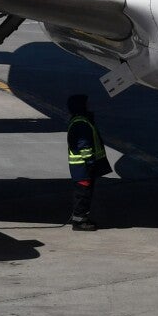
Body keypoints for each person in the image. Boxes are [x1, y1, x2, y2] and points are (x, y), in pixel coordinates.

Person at [66, 94, 109, 230]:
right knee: (82, 195)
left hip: (80, 167)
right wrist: (90, 162)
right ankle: (79, 222)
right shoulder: (81, 124)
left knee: (83, 194)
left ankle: (81, 218)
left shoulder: (81, 121)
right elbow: (84, 145)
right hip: (82, 168)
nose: (89, 106)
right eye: (86, 104)